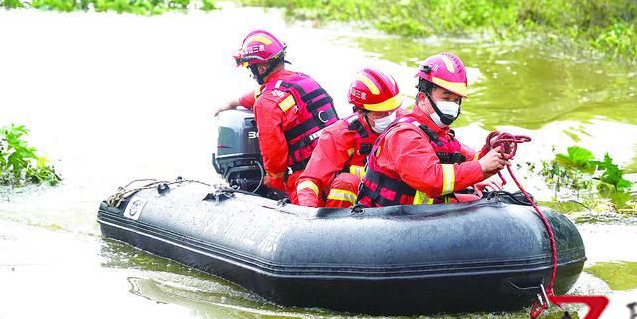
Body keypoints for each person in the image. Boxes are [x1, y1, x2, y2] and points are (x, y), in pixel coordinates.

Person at [356, 52, 509, 207]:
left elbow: (470, 161)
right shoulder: (405, 135)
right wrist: (481, 166)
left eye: (456, 100)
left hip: (420, 215)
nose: (452, 105)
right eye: (446, 98)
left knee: (495, 203)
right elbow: (431, 180)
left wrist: (490, 150)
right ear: (422, 98)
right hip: (390, 220)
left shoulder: (439, 133)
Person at [214, 29, 338, 203]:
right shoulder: (304, 80)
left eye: (251, 67)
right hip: (337, 166)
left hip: (306, 178)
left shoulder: (266, 104)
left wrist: (274, 179)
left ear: (262, 67)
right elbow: (265, 92)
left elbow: (274, 150)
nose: (252, 72)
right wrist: (236, 102)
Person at [296, 68, 402, 207]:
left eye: (392, 111)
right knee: (346, 181)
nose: (389, 117)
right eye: (379, 114)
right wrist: (308, 212)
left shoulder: (407, 124)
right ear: (360, 111)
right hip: (351, 210)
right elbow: (311, 179)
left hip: (393, 205)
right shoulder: (339, 135)